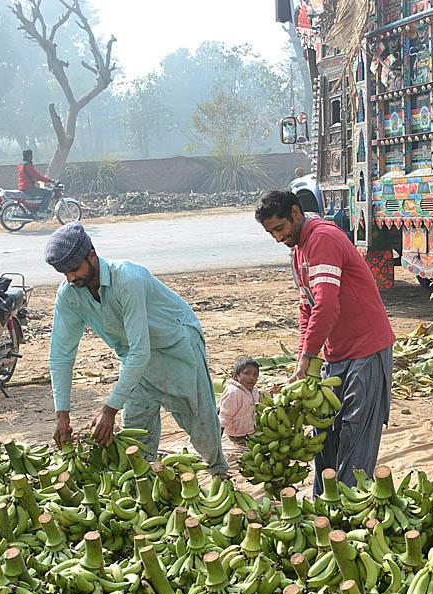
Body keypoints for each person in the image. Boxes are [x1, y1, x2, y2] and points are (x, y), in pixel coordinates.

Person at [45, 222, 229, 476]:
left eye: (74, 269)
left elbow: (141, 350)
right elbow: (61, 355)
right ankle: (145, 482)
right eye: (64, 273)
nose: (70, 278)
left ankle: (219, 471)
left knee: (199, 422)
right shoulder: (69, 294)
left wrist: (109, 410)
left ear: (92, 255)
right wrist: (61, 414)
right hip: (133, 358)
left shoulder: (127, 278)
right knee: (135, 428)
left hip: (176, 346)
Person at [254, 189, 396, 493]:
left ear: (295, 213)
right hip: (335, 354)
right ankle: (323, 501)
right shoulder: (297, 251)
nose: (278, 238)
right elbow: (307, 308)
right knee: (324, 435)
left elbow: (327, 305)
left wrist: (309, 355)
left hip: (366, 348)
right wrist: (304, 360)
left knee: (355, 434)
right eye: (271, 233)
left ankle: (348, 507)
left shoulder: (322, 239)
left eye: (279, 228)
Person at [219, 357, 261, 447]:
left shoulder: (255, 390)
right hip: (237, 435)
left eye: (255, 374)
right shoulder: (233, 392)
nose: (251, 378)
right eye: (247, 373)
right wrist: (217, 441)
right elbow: (224, 417)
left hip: (251, 431)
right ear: (235, 375)